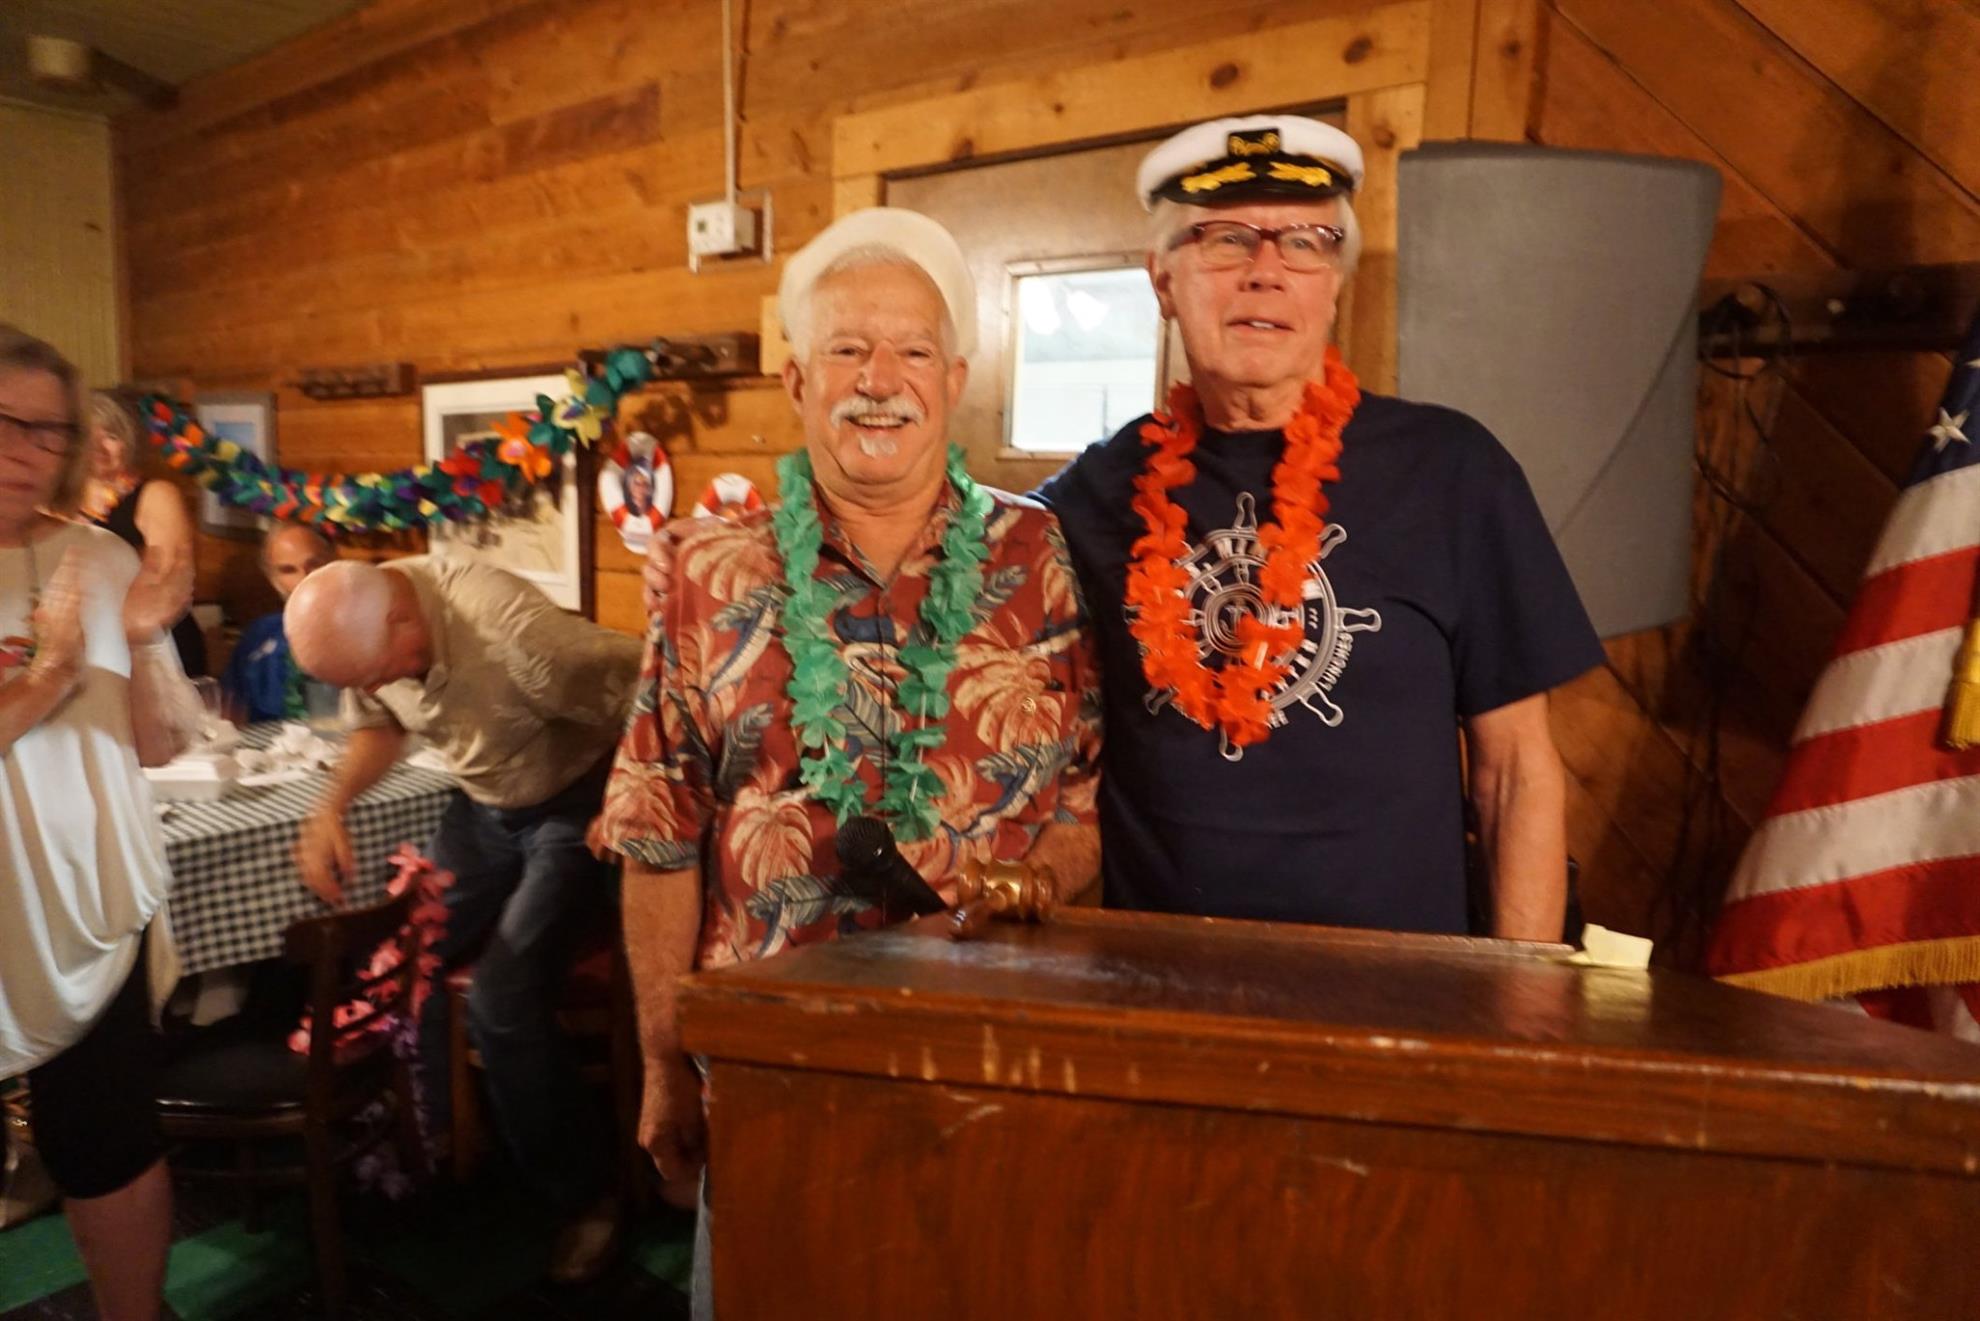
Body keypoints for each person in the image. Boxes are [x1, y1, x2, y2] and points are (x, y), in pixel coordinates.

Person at [596, 207, 1103, 1318]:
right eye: (847, 349)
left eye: (913, 350)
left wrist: (1035, 880)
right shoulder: (705, 570)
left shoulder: (1036, 553)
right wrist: (664, 1059)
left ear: (954, 379)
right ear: (796, 380)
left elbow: (1085, 796)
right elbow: (656, 830)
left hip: (991, 1065)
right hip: (770, 1072)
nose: (881, 380)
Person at [1037, 116, 1604, 942]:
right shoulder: (1088, 497)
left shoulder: (1453, 472)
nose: (1265, 272)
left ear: (1336, 281)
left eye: (1305, 242)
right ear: (1162, 280)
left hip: (1399, 988)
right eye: (1227, 240)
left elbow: (1514, 771)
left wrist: (1525, 990)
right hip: (1160, 984)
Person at [285, 556, 642, 1282]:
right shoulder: (365, 621)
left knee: (501, 999)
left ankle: (586, 1197)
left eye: (374, 673)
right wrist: (330, 808)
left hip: (572, 806)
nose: (372, 690)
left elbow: (654, 694)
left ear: (402, 619)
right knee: (399, 961)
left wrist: (627, 800)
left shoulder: (517, 635)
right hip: (483, 808)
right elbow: (382, 725)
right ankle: (440, 1145)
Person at [0, 324, 200, 1321]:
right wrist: (46, 677)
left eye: (50, 430)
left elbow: (153, 745)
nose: (27, 450)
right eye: (5, 421)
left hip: (90, 900)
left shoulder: (100, 554)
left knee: (105, 1141)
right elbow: (50, 690)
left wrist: (146, 640)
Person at [82, 391, 207, 678]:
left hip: (156, 645)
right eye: (87, 435)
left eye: (111, 436)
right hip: (87, 647)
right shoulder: (54, 502)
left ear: (129, 443)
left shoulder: (156, 495)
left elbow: (172, 582)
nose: (98, 447)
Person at [219, 521, 337, 723]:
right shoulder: (260, 635)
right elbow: (230, 710)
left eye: (314, 564)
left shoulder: (365, 631)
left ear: (333, 561)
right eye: (288, 570)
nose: (304, 577)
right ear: (273, 578)